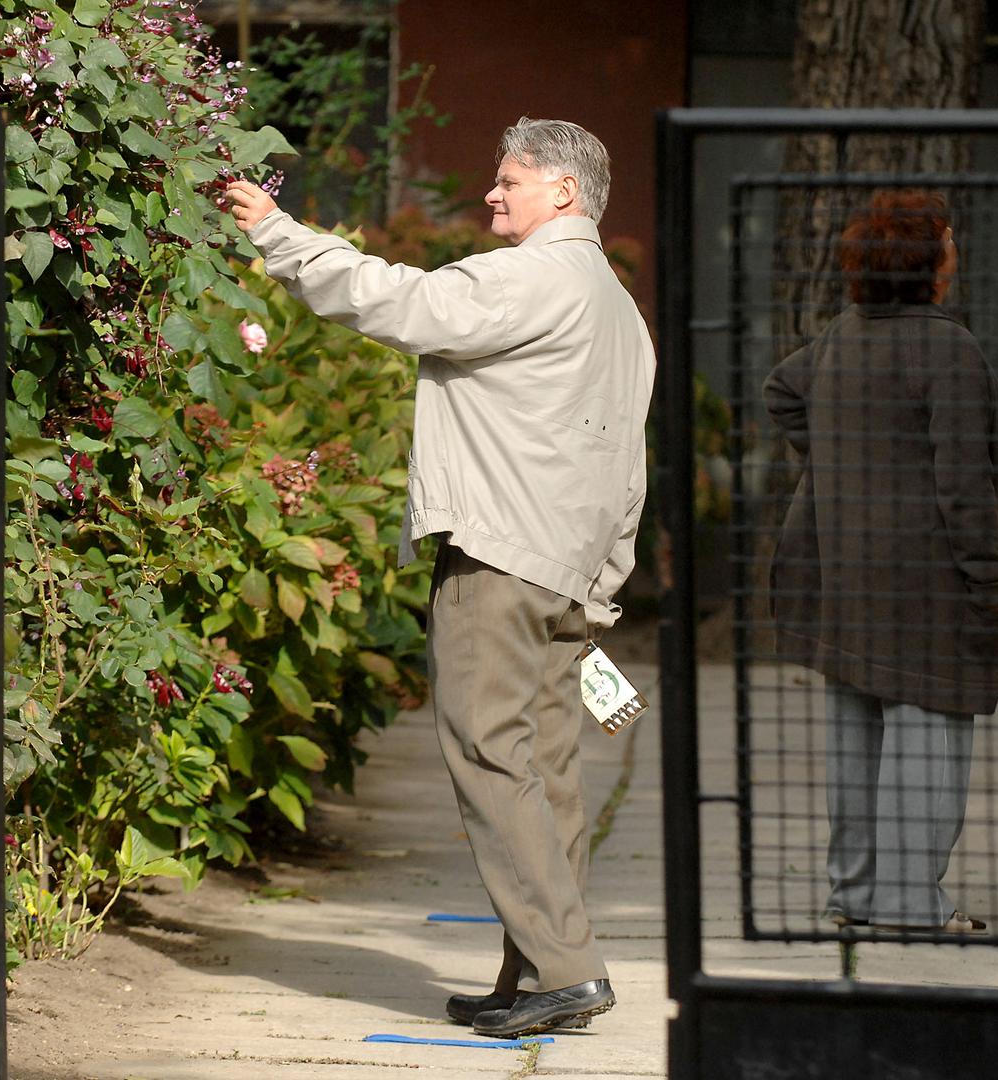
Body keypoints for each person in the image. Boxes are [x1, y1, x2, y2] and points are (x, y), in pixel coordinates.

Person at [223, 118, 654, 1036]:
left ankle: (566, 970)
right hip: (566, 573)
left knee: (491, 758)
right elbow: (629, 463)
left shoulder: (531, 276)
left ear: (562, 194)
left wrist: (275, 231)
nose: (491, 195)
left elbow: (401, 303)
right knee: (543, 771)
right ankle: (540, 973)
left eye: (508, 181)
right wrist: (605, 582)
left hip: (500, 558)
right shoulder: (616, 306)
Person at [762, 189, 998, 934]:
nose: (954, 251)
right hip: (926, 584)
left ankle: (855, 895)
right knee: (923, 730)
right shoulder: (949, 348)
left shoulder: (842, 335)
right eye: (946, 241)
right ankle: (908, 902)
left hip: (844, 570)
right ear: (928, 263)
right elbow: (965, 482)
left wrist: (837, 463)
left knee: (853, 731)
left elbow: (782, 393)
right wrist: (988, 576)